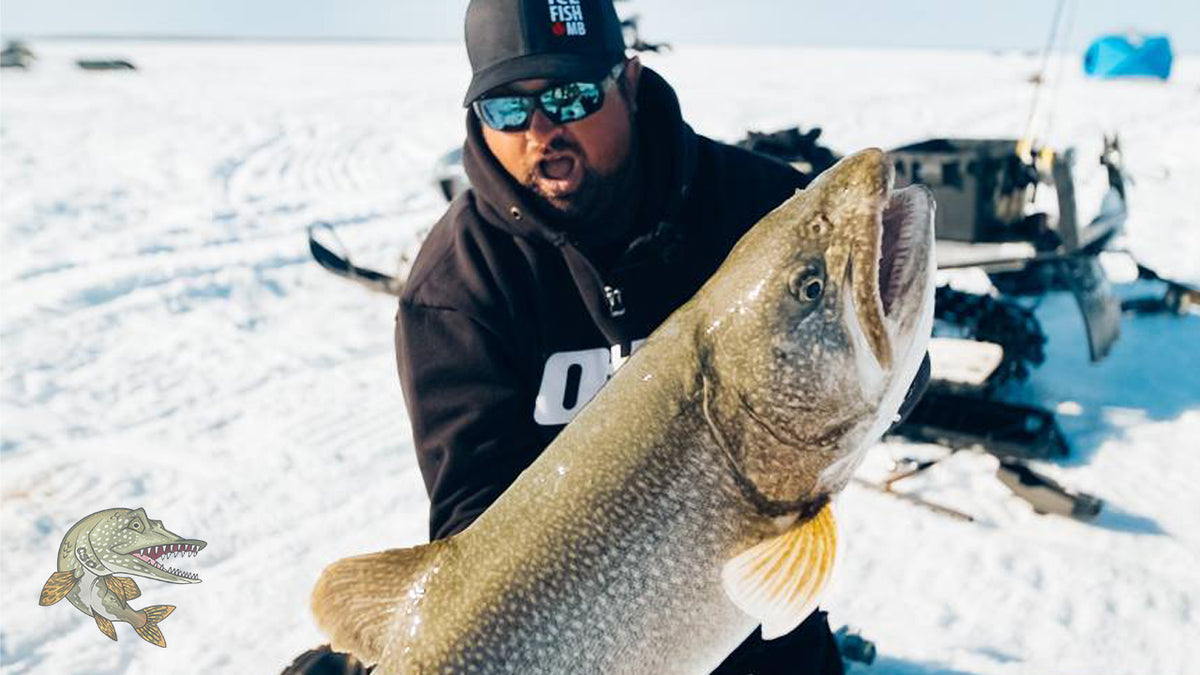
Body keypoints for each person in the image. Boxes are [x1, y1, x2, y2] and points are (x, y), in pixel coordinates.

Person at [285, 0, 926, 672]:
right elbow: (472, 524)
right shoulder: (456, 288)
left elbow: (884, 355)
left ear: (631, 80)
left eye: (570, 95)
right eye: (507, 108)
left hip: (756, 629)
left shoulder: (753, 204)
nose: (540, 131)